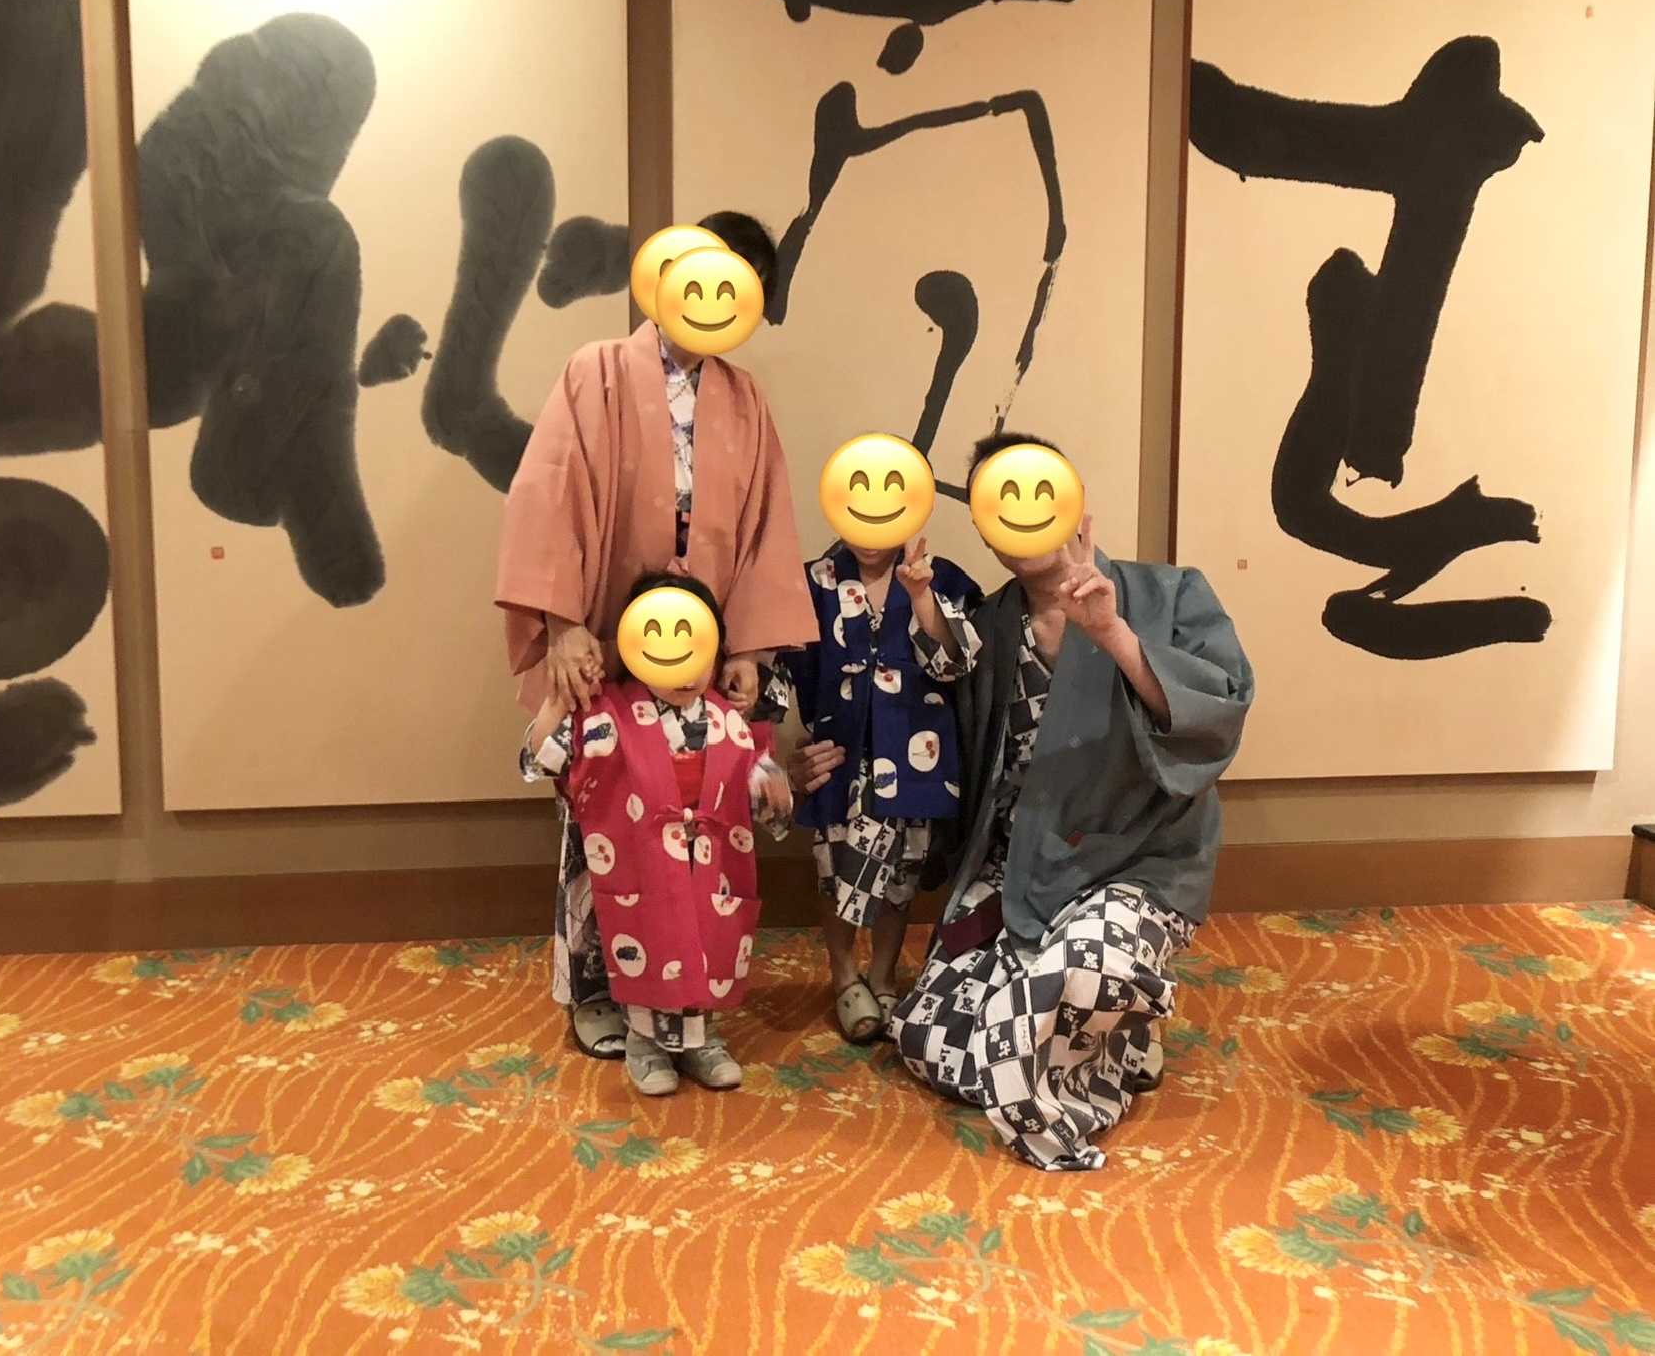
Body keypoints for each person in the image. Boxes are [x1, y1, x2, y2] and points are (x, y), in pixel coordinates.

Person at [496, 213, 817, 1061]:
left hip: (694, 654)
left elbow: (766, 524)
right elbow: (549, 493)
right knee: (599, 811)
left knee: (689, 824)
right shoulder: (596, 371)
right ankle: (593, 987)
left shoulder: (745, 399)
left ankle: (682, 991)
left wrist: (746, 647)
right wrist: (562, 622)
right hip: (604, 633)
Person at [891, 432, 1254, 1173]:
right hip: (1023, 864)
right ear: (986, 527)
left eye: (1039, 491)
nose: (1023, 514)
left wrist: (1111, 633)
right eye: (1000, 503)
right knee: (929, 1036)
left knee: (1050, 1000)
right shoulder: (988, 625)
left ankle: (1107, 1007)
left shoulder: (1169, 594)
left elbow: (1217, 710)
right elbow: (937, 717)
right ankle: (1118, 1029)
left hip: (1138, 862)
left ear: (1075, 500)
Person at [520, 573, 792, 1095]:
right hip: (642, 860)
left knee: (706, 942)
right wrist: (557, 703)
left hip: (708, 860)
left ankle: (701, 1041)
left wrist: (772, 786)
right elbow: (542, 761)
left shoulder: (727, 718)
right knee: (651, 941)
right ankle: (645, 1043)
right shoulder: (609, 711)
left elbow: (756, 776)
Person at [786, 534, 981, 1045]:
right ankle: (844, 975)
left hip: (915, 753)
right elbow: (780, 668)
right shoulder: (813, 581)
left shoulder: (945, 579)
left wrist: (921, 595)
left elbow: (956, 665)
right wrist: (786, 753)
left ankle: (883, 974)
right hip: (839, 752)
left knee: (902, 876)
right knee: (834, 871)